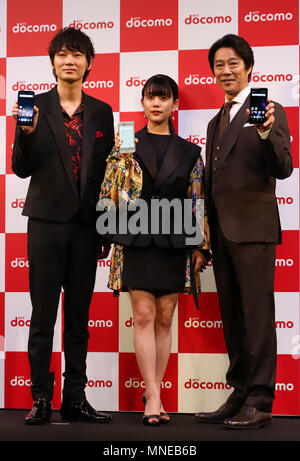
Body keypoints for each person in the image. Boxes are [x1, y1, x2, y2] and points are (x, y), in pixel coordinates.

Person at [12, 27, 114, 425]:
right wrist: (26, 135)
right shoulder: (34, 107)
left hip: (86, 227)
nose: (69, 61)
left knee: (78, 316)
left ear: (89, 63)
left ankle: (75, 397)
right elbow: (21, 169)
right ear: (52, 62)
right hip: (45, 224)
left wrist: (106, 229)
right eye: (62, 55)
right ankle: (40, 398)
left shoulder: (102, 111)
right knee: (43, 315)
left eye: (77, 54)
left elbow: (107, 175)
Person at [99, 74, 210, 425]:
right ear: (143, 103)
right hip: (136, 238)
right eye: (151, 97)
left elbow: (197, 201)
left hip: (175, 240)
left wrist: (200, 247)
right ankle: (154, 397)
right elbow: (110, 191)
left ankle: (153, 391)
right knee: (144, 316)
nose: (157, 103)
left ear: (175, 104)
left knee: (165, 318)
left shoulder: (190, 151)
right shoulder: (126, 144)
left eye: (164, 98)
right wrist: (119, 157)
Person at [195, 34, 293, 429]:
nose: (226, 71)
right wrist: (202, 235)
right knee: (232, 317)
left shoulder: (271, 110)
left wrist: (268, 133)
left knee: (256, 314)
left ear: (249, 67)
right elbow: (209, 181)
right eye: (219, 65)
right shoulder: (214, 120)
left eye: (233, 63)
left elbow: (283, 167)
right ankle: (239, 392)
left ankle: (260, 398)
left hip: (253, 229)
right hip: (220, 232)